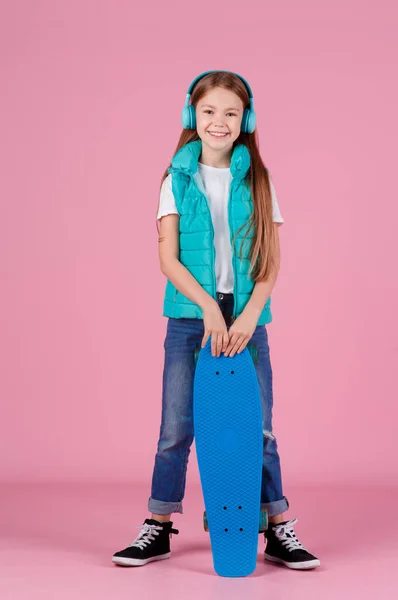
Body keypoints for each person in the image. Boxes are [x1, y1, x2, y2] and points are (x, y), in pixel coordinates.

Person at [112, 70, 320, 570]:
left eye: (230, 113)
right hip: (191, 321)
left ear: (245, 119)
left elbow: (270, 260)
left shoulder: (259, 180)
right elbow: (168, 260)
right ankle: (157, 527)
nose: (219, 122)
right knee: (175, 428)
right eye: (208, 112)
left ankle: (277, 528)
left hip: (246, 321)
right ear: (191, 115)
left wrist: (249, 314)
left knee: (259, 428)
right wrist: (208, 308)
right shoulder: (175, 179)